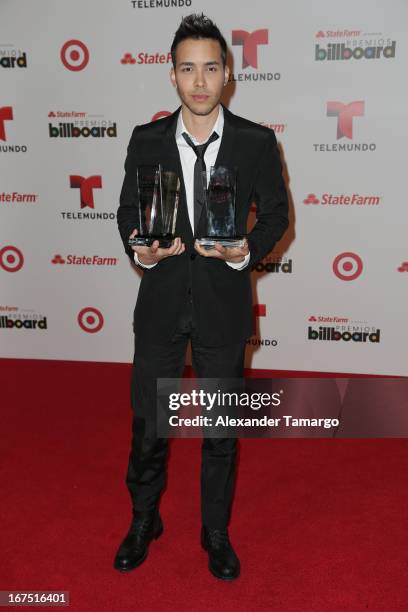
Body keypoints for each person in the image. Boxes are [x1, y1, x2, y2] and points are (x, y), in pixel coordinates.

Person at [114, 13, 289, 581]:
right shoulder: (146, 142)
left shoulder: (256, 142)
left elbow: (279, 215)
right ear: (171, 75)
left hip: (222, 306)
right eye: (187, 68)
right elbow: (125, 214)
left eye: (210, 68)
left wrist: (243, 251)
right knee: (149, 425)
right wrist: (141, 251)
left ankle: (215, 530)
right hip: (161, 305)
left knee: (219, 432)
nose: (198, 81)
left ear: (227, 74)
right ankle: (144, 519)